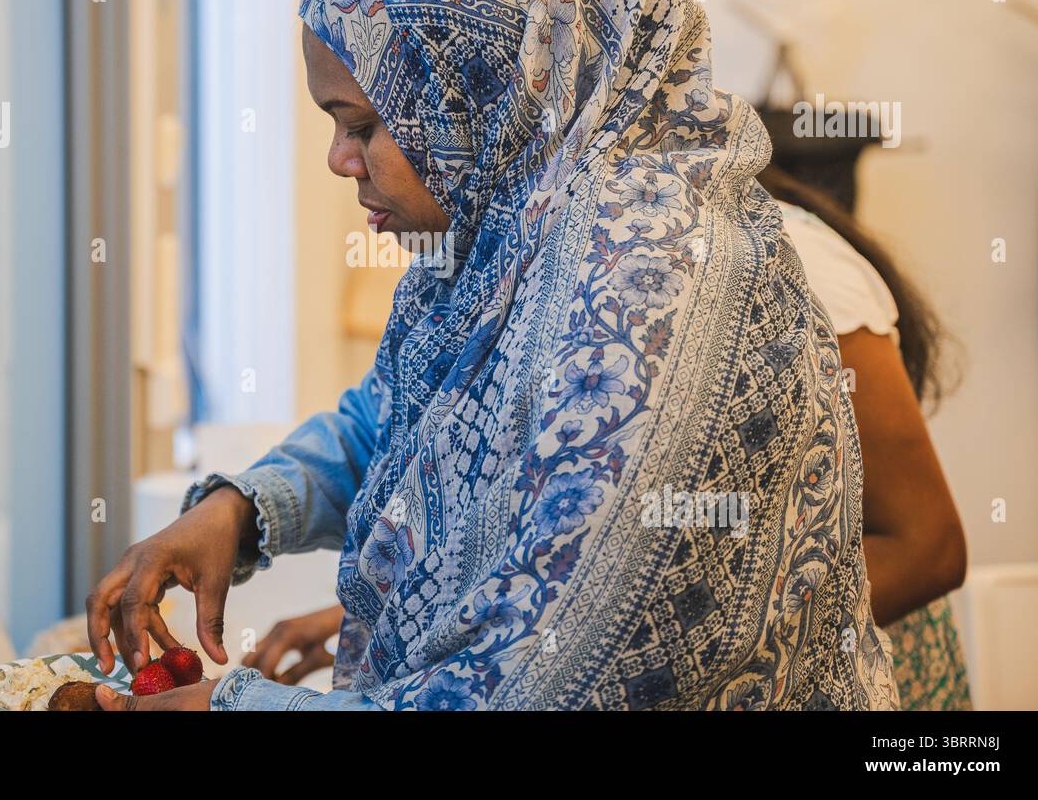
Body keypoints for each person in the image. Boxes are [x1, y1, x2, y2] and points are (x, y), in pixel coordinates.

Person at [85, 0, 899, 711]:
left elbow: (533, 690)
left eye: (363, 126)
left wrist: (224, 706)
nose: (339, 160)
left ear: (477, 93)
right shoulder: (508, 236)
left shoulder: (643, 289)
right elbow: (407, 421)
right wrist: (240, 510)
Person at [246, 167, 972, 710]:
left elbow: (930, 546)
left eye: (369, 127)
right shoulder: (537, 268)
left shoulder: (772, 272)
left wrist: (707, 623)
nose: (351, 162)